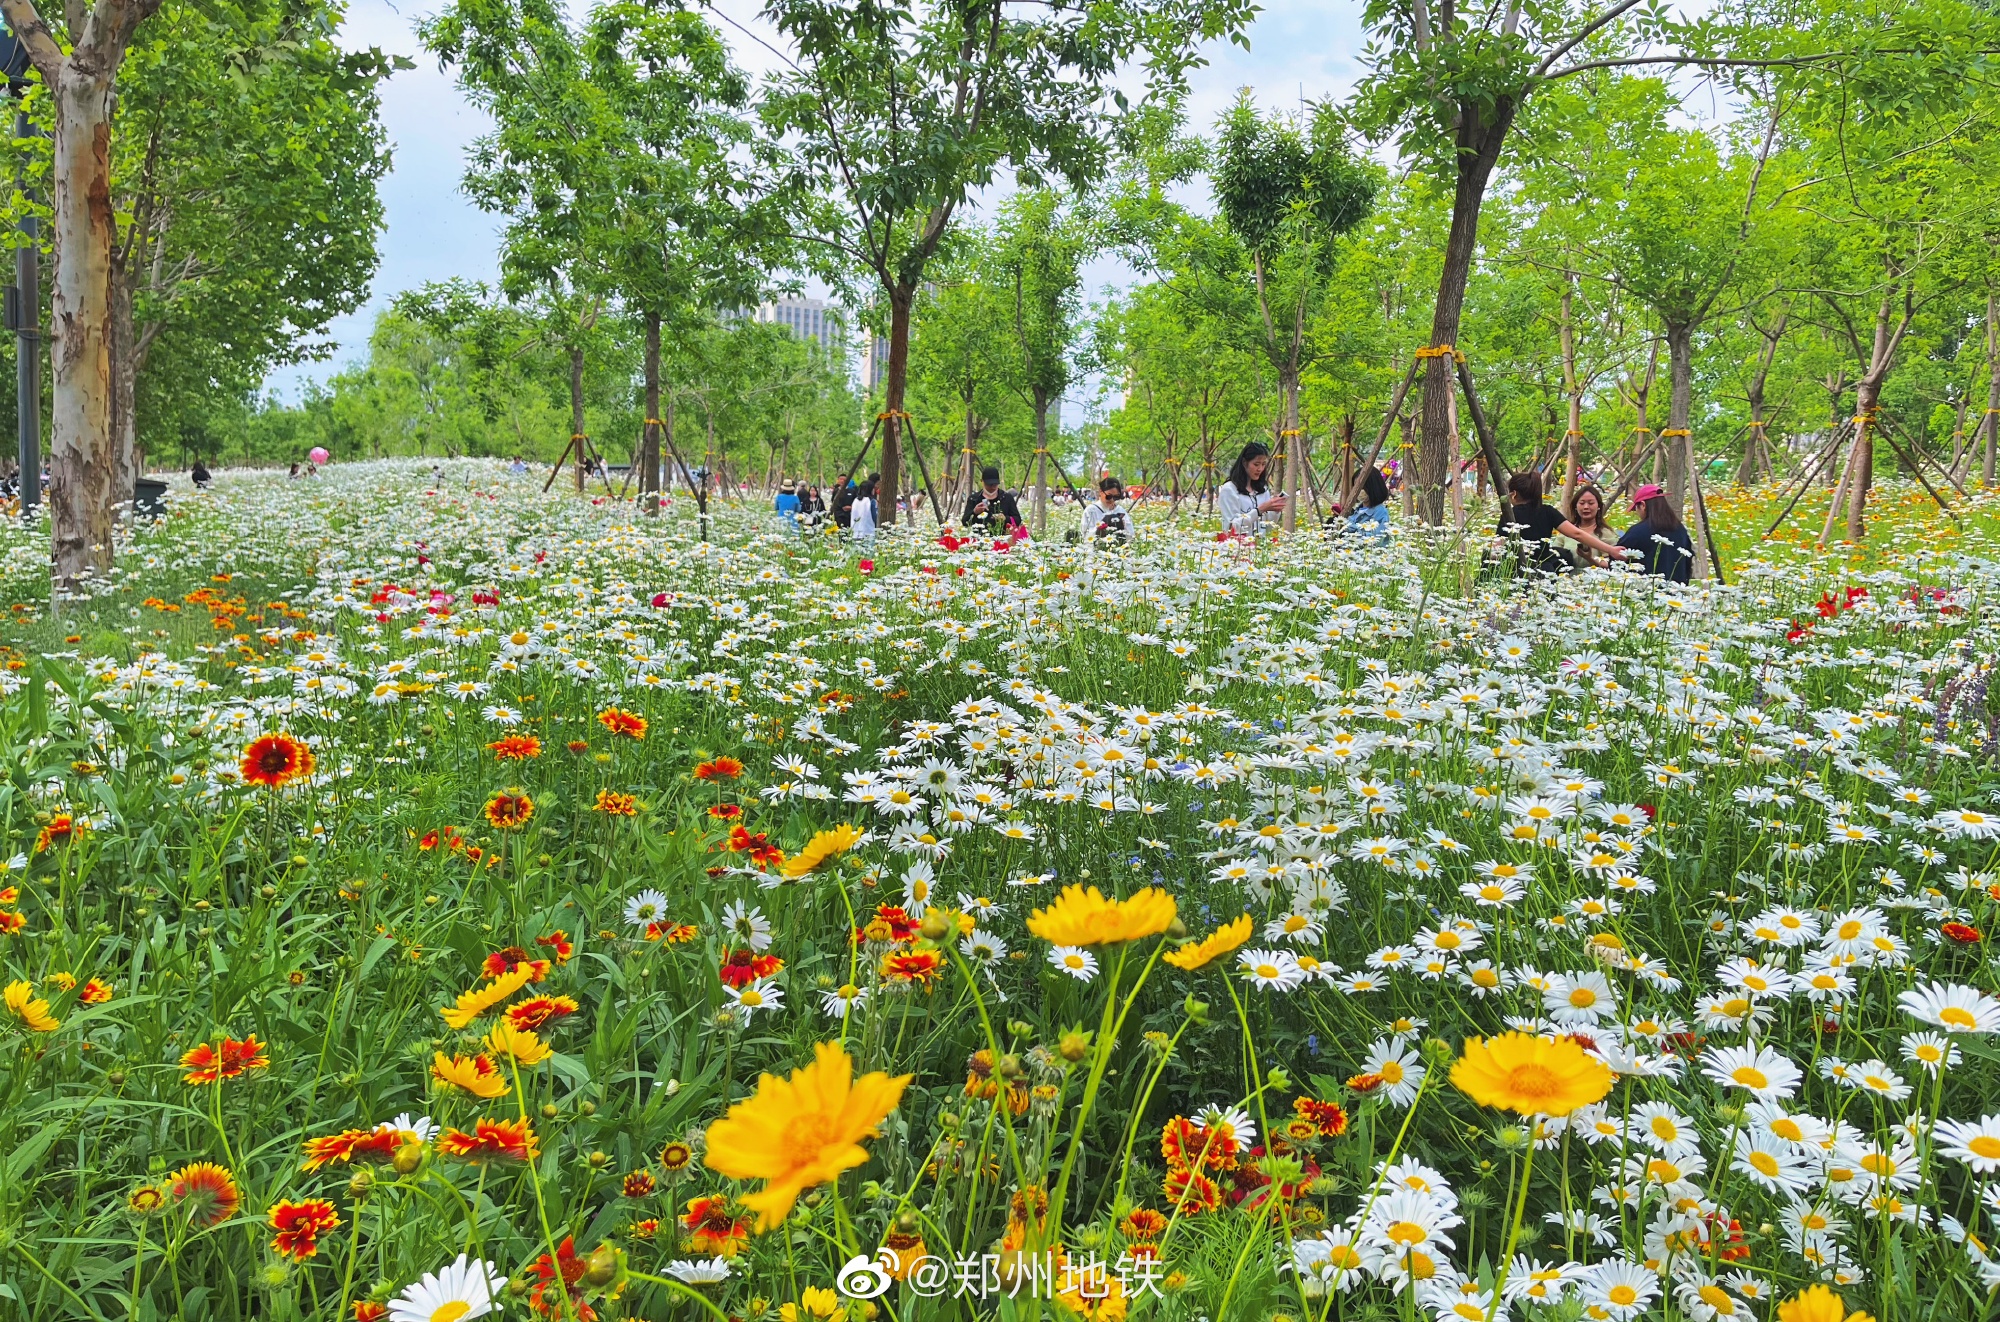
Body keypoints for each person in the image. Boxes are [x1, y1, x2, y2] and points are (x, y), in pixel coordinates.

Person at [1496, 471, 1627, 575]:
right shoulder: (1547, 511)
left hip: (1515, 571)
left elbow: (1497, 548)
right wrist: (1610, 549)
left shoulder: (1509, 515)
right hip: (1544, 572)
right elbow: (1577, 533)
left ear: (1513, 494)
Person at [1617, 483, 1696, 583]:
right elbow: (1688, 562)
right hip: (1677, 594)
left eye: (1636, 508)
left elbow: (1618, 558)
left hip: (1646, 593)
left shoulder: (1637, 531)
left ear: (1643, 505)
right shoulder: (1680, 530)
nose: (1637, 513)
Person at [1218, 442, 1287, 534]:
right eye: (1256, 464)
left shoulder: (1263, 489)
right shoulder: (1229, 490)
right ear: (1244, 463)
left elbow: (1267, 527)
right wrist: (1259, 510)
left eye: (1263, 464)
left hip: (1260, 545)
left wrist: (1275, 510)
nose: (1260, 469)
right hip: (1238, 546)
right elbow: (1232, 527)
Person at [1562, 483, 1614, 568]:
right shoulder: (1567, 530)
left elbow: (1613, 564)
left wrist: (1590, 558)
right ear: (1575, 506)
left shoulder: (1606, 533)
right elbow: (1554, 555)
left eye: (1591, 503)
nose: (1586, 507)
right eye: (1582, 503)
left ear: (1599, 506)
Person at [962, 465, 1023, 534]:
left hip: (1003, 538)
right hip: (980, 538)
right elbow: (965, 522)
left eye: (995, 484)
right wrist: (974, 512)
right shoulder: (974, 499)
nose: (993, 487)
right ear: (982, 481)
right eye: (989, 484)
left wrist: (1005, 518)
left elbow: (1018, 520)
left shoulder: (1007, 497)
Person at [1081, 476, 1135, 544]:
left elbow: (1131, 535)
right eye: (1109, 496)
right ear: (1101, 491)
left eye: (1116, 497)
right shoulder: (1091, 511)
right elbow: (1084, 534)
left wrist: (1123, 527)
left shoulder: (1120, 510)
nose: (1112, 500)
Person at [1342, 467, 1391, 541]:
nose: (1358, 491)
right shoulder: (1358, 510)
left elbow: (1378, 539)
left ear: (1373, 487)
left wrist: (1353, 530)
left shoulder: (1380, 512)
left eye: (1362, 488)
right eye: (1355, 487)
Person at [850, 477, 878, 543]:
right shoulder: (871, 501)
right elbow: (875, 517)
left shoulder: (855, 500)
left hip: (855, 532)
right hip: (868, 532)